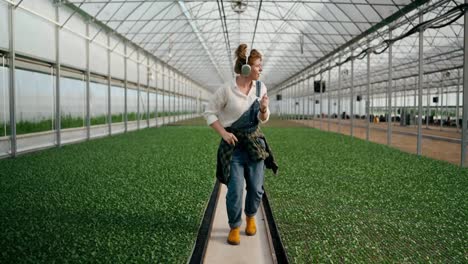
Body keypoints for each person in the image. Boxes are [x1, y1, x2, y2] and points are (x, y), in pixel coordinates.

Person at [203, 43, 278, 245]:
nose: (261, 69)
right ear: (246, 68)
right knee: (235, 190)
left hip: (254, 145)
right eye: (257, 66)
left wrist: (263, 109)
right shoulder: (226, 90)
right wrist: (224, 133)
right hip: (233, 147)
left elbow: (264, 119)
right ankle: (235, 226)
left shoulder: (261, 88)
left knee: (255, 188)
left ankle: (251, 217)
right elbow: (209, 113)